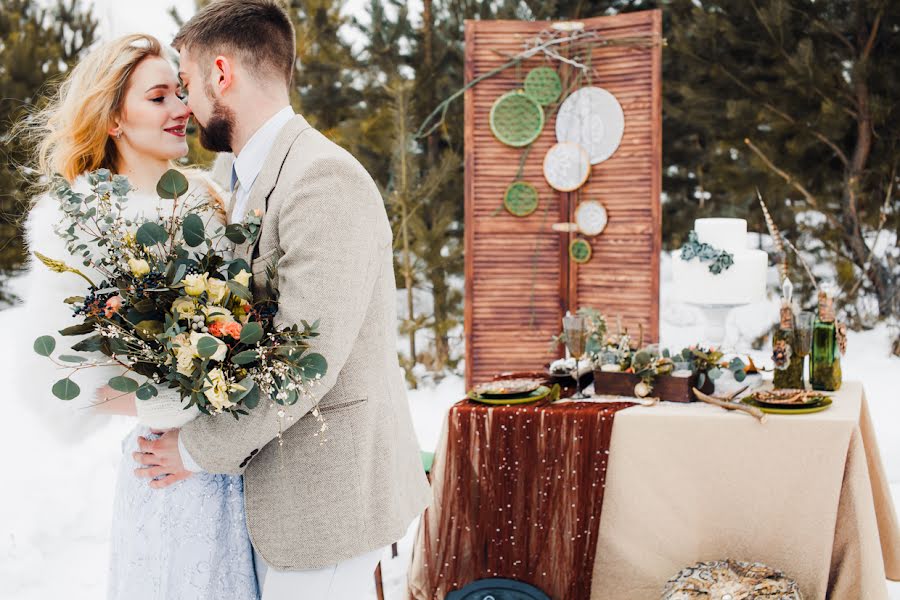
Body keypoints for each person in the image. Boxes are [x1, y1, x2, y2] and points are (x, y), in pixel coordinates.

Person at [135, 1, 432, 598]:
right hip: (275, 491)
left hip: (326, 499)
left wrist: (194, 448)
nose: (186, 106)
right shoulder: (237, 180)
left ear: (222, 75)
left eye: (187, 84)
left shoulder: (322, 178)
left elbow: (306, 358)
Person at [18, 34, 259, 599]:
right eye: (158, 98)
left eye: (180, 92)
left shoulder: (209, 203)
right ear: (113, 121)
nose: (181, 109)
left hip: (242, 469)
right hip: (167, 471)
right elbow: (56, 385)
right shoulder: (77, 224)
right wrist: (175, 404)